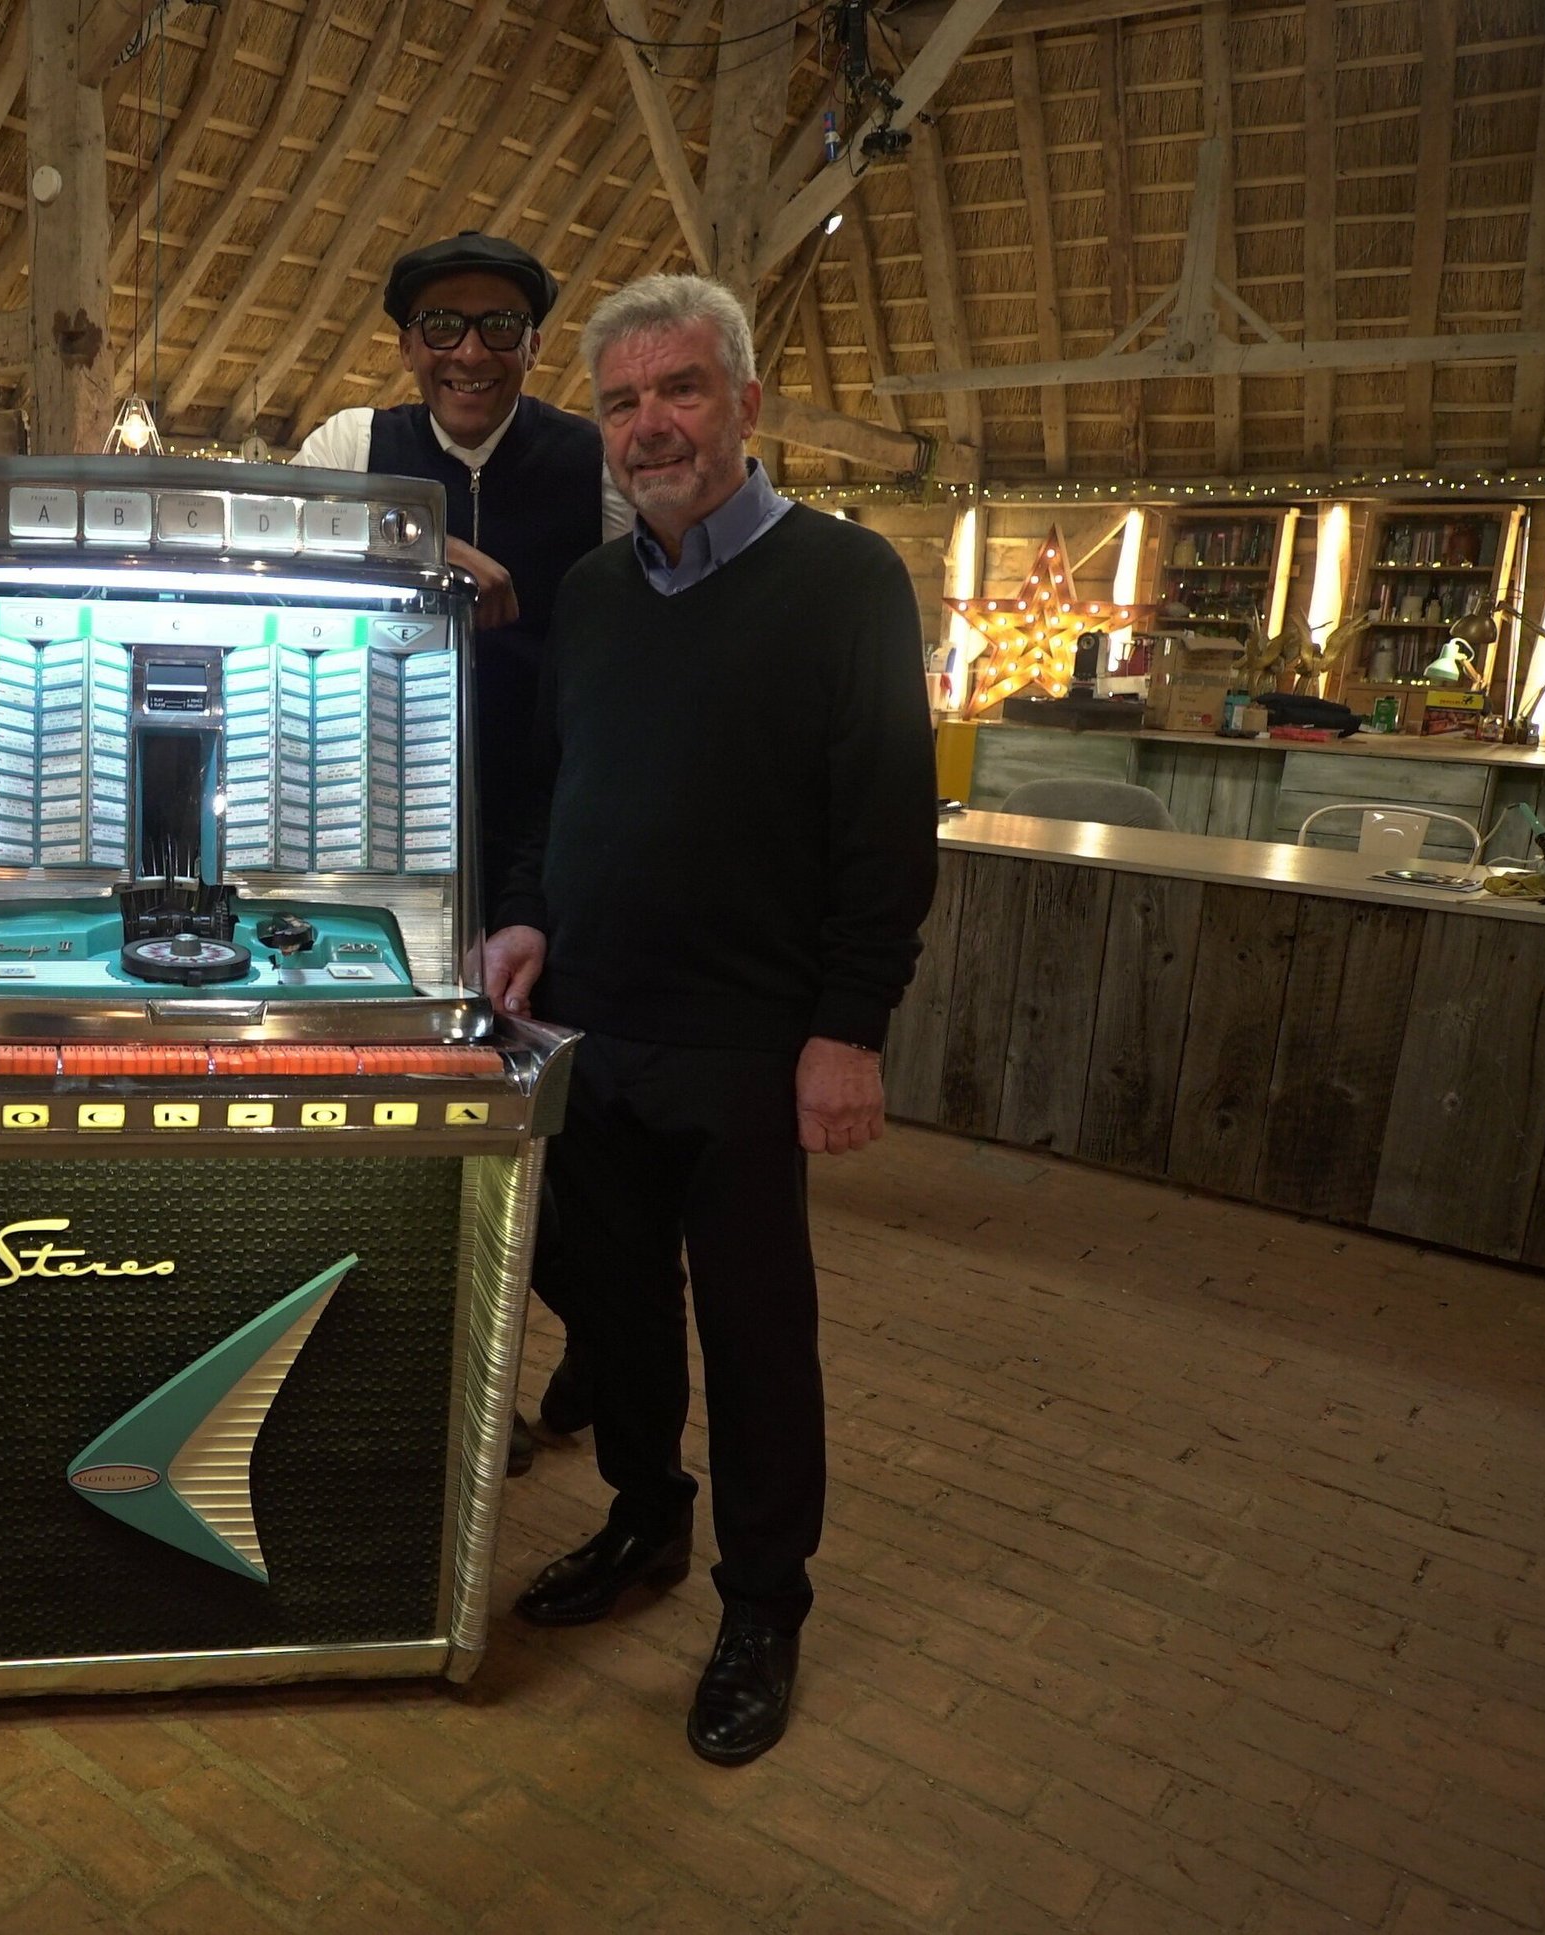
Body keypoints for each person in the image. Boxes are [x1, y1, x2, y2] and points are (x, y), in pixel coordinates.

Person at [473, 273, 937, 1766]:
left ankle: (763, 1601)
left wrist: (848, 1028)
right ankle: (644, 1517)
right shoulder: (594, 594)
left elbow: (886, 824)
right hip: (592, 1021)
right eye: (621, 401)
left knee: (755, 1333)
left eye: (679, 389)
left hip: (748, 1036)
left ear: (744, 399)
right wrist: (525, 912)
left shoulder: (845, 578)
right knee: (615, 1307)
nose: (650, 424)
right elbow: (551, 787)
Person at [292, 231, 627, 1477]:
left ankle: (587, 1339)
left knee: (547, 1130)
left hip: (548, 840)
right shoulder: (350, 445)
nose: (468, 352)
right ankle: (453, 1390)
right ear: (405, 344)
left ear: (535, 345)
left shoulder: (595, 468)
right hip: (371, 840)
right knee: (408, 1132)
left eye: (497, 327)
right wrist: (423, 547)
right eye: (441, 326)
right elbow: (267, 544)